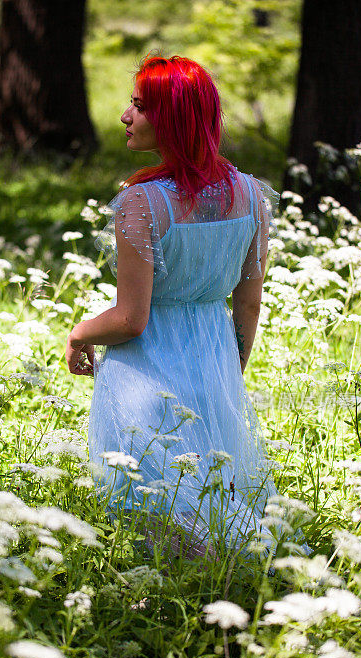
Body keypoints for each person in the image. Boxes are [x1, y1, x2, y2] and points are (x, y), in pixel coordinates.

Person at [66, 54, 284, 560]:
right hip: (213, 358)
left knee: (156, 502)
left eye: (139, 107)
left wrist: (79, 333)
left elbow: (130, 318)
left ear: (173, 119)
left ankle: (179, 608)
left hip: (147, 368)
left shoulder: (141, 203)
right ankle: (224, 598)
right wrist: (229, 367)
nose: (125, 116)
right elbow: (248, 303)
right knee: (209, 492)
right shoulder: (251, 196)